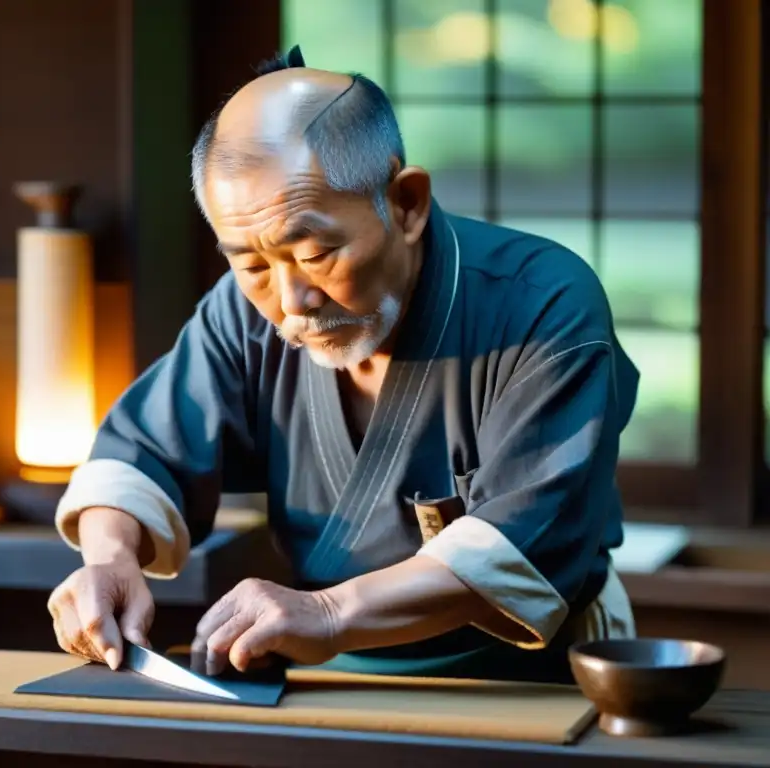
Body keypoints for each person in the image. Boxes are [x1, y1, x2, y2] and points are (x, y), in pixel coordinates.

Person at [47, 46, 639, 685]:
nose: (292, 300)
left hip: (530, 679)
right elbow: (142, 452)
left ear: (406, 204)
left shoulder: (544, 306)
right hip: (334, 677)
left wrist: (328, 612)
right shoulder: (244, 314)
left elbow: (525, 545)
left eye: (316, 251)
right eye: (250, 264)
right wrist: (108, 560)